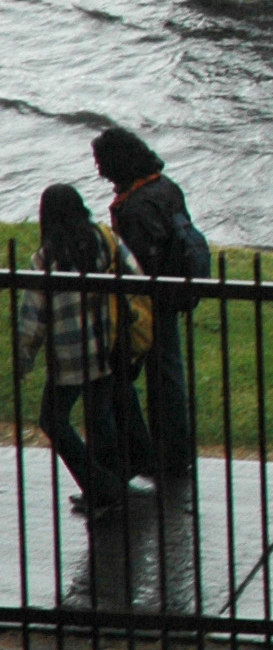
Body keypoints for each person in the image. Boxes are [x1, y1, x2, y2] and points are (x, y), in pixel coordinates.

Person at [16, 184, 152, 519]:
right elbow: (134, 275)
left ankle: (101, 486)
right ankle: (108, 484)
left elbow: (33, 315)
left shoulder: (47, 258)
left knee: (53, 419)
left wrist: (24, 355)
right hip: (104, 347)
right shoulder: (103, 239)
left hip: (67, 358)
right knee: (100, 416)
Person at [95, 127, 200, 478]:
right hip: (170, 295)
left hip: (145, 303)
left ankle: (141, 454)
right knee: (167, 373)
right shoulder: (165, 187)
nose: (99, 172)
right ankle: (172, 453)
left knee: (118, 376)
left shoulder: (137, 206)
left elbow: (137, 263)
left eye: (102, 163)